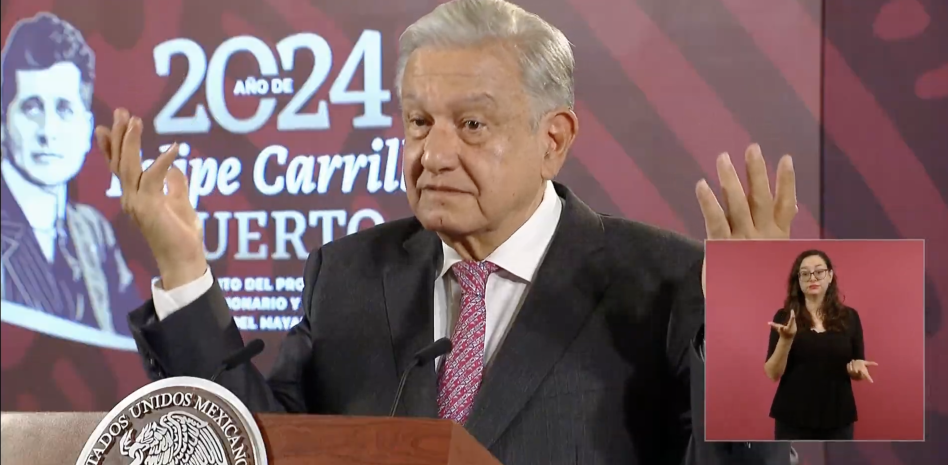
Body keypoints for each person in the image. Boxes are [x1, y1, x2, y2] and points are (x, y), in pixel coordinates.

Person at [101, 0, 795, 463]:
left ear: (553, 139)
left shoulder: (664, 284)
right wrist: (184, 271)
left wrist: (745, 336)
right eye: (418, 121)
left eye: (471, 124)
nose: (433, 154)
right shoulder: (347, 275)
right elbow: (257, 447)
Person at [0, 12, 140, 349]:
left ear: (86, 129)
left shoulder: (94, 231)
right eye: (31, 107)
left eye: (64, 109)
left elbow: (138, 353)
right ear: (3, 123)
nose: (48, 131)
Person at [764, 249, 876, 440]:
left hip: (838, 415)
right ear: (798, 281)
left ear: (830, 276)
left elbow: (857, 364)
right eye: (805, 273)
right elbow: (772, 373)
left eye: (819, 271)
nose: (812, 277)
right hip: (792, 417)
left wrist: (856, 369)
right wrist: (786, 340)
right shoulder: (784, 317)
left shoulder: (850, 317)